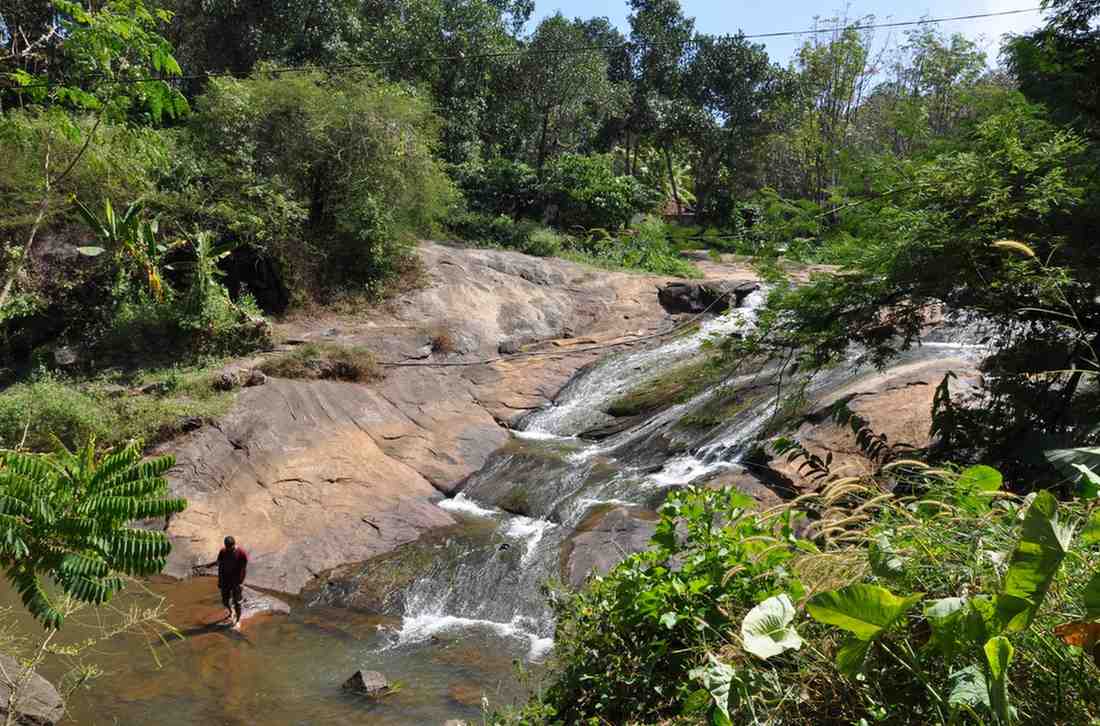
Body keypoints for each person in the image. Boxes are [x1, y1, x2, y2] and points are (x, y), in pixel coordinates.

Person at [201, 536, 249, 628]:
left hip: (236, 581)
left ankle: (238, 621)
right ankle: (231, 612)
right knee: (224, 601)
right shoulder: (223, 551)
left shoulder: (241, 554)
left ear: (234, 545)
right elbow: (219, 562)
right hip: (225, 579)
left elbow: (244, 569)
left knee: (237, 602)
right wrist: (210, 565)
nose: (228, 550)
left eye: (230, 548)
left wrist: (241, 583)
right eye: (227, 548)